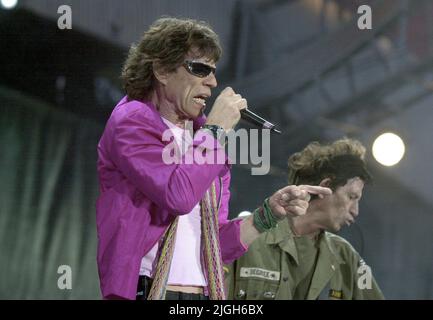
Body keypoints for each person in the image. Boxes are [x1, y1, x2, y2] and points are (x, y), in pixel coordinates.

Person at [96, 17, 331, 300]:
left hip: (203, 294)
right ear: (161, 70)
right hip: (147, 290)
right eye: (199, 69)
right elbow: (178, 195)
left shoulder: (203, 138)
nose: (212, 82)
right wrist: (216, 130)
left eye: (213, 71)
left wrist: (267, 214)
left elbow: (214, 243)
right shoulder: (132, 121)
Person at [226, 138, 385, 300]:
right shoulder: (248, 237)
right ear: (326, 186)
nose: (355, 211)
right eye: (351, 197)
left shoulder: (347, 257)